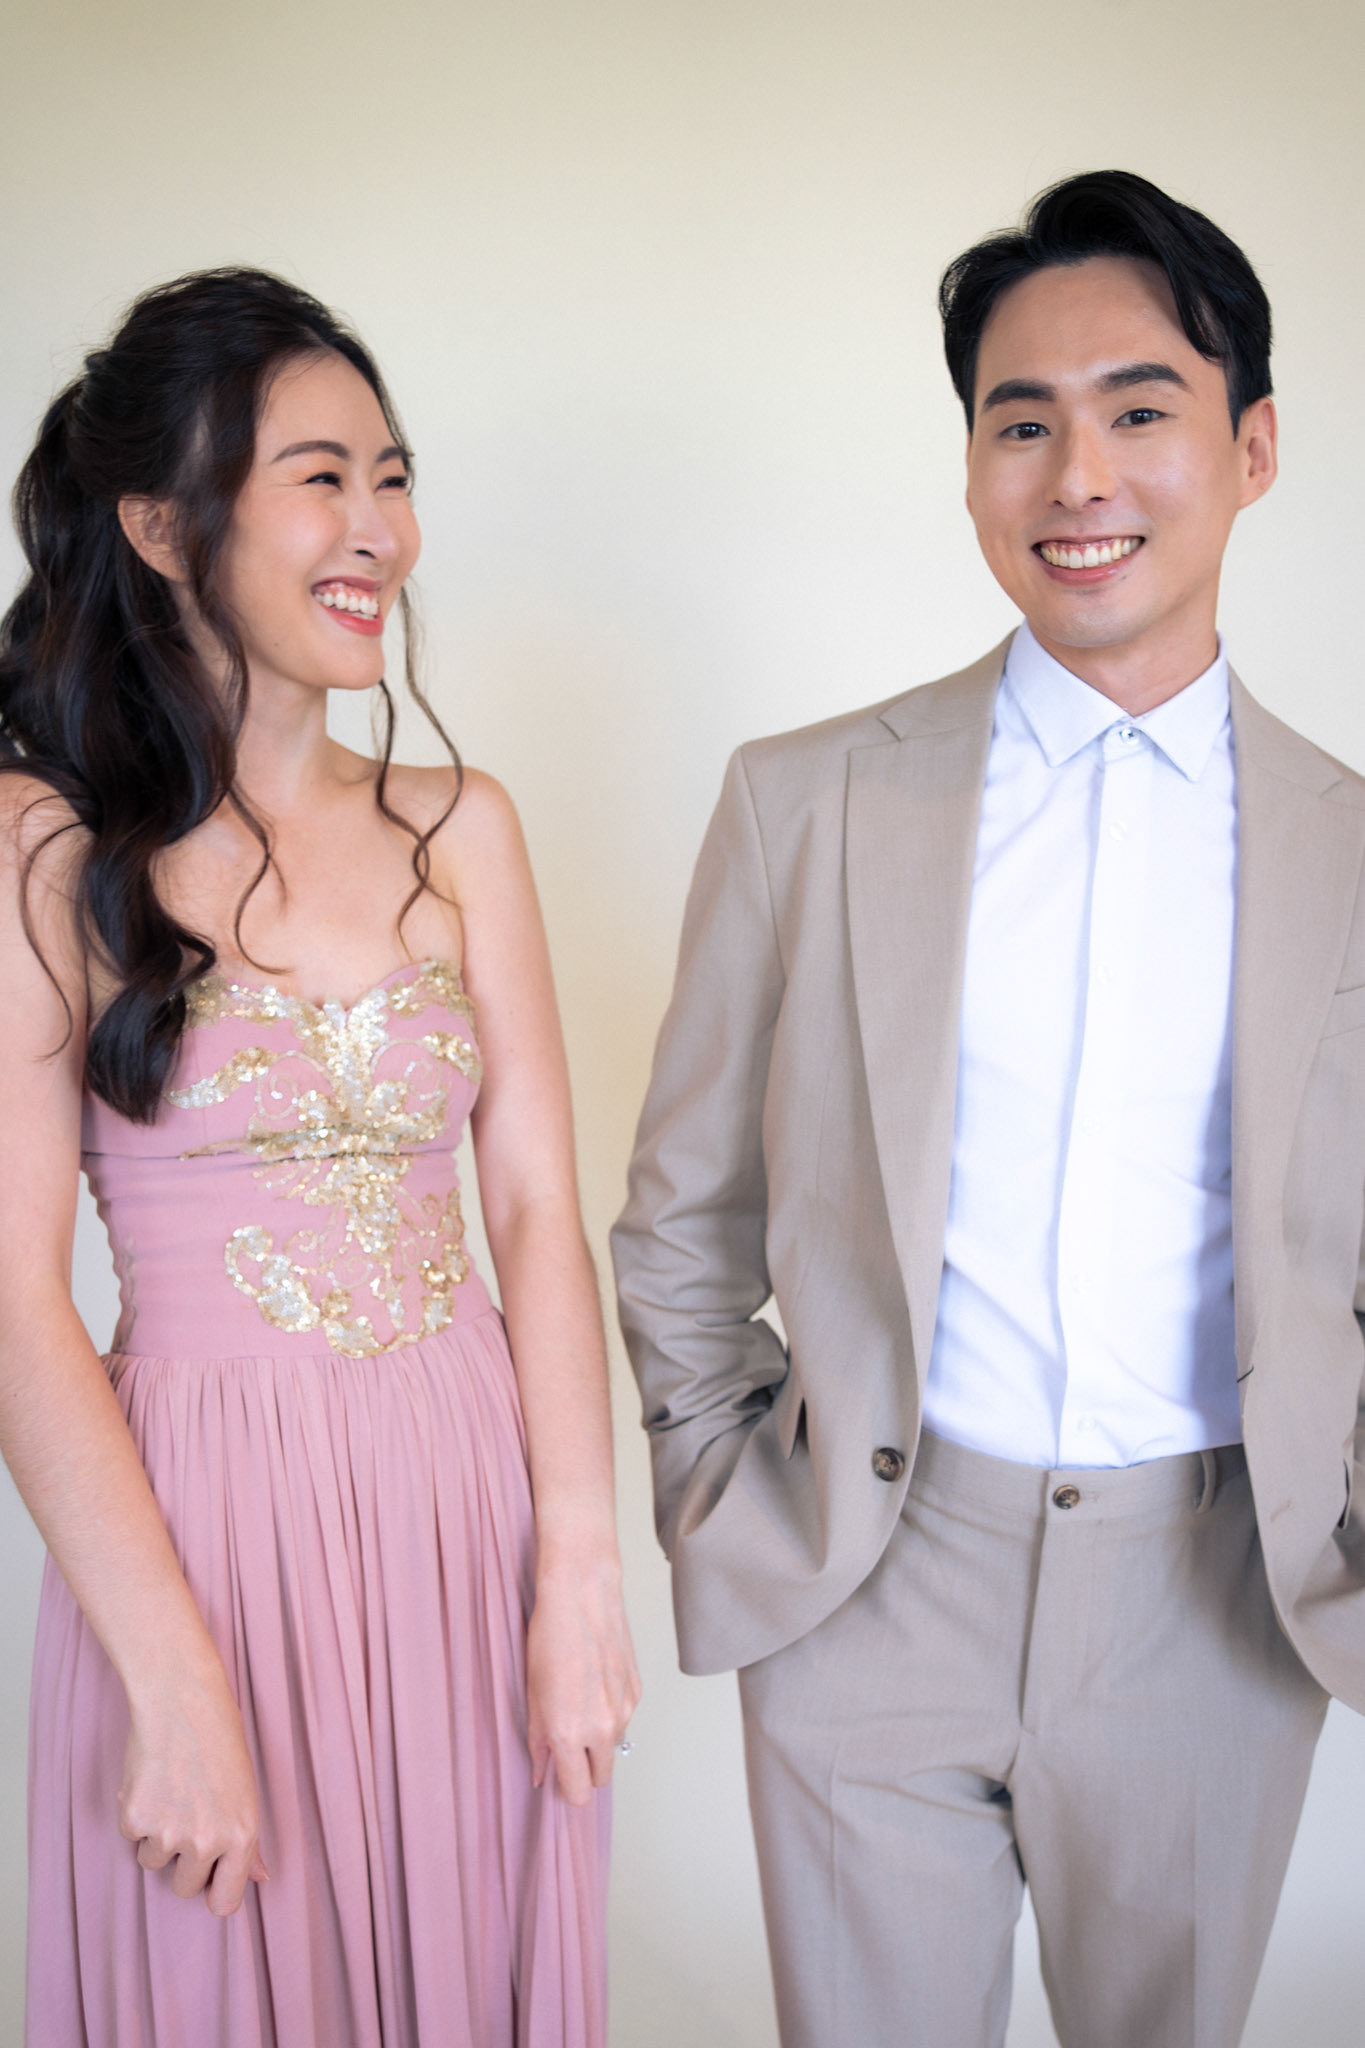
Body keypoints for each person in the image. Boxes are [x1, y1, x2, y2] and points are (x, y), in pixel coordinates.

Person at [612, 169, 1365, 2048]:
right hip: (871, 1574)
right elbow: (682, 1216)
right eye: (1019, 424)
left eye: (1138, 410)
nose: (1075, 476)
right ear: (969, 470)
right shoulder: (805, 802)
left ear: (1252, 448)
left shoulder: (1349, 851)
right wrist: (725, 1495)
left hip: (1212, 1602)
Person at [1, 267, 639, 2048]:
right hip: (199, 1529)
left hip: (465, 1506)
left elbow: (534, 1208)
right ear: (159, 526)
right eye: (320, 477)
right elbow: (14, 1300)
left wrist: (580, 1571)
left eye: (394, 475)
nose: (378, 528)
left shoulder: (462, 827)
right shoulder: (44, 847)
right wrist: (172, 1684)